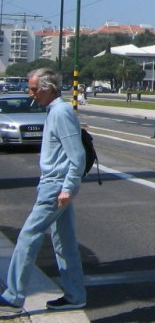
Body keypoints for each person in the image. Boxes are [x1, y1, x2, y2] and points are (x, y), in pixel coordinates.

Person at [0, 68, 87, 315]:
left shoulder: (60, 112)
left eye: (35, 89)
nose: (31, 94)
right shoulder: (55, 111)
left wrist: (68, 188)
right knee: (65, 242)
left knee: (29, 235)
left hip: (56, 186)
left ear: (49, 88)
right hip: (55, 184)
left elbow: (77, 156)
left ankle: (14, 296)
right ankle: (75, 295)